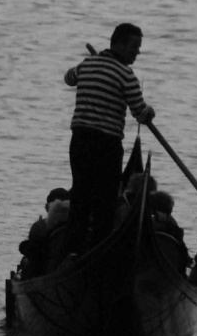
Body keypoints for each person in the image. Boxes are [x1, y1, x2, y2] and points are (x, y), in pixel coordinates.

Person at [62, 23, 155, 254]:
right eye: (134, 47)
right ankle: (98, 252)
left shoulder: (87, 65)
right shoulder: (126, 75)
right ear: (120, 44)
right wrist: (150, 112)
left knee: (81, 197)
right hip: (106, 145)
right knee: (105, 203)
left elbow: (68, 78)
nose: (137, 52)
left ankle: (73, 253)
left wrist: (91, 70)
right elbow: (140, 113)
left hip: (80, 142)